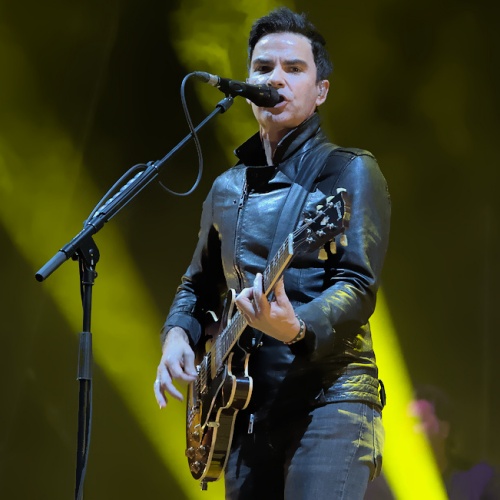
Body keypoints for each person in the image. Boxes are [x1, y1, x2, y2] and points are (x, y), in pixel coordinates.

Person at [154, 7, 391, 499]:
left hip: (329, 401)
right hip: (243, 413)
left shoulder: (348, 171)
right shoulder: (226, 188)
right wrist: (177, 335)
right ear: (246, 85)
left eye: (293, 68)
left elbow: (357, 285)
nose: (275, 79)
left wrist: (296, 326)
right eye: (263, 68)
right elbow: (197, 285)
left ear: (320, 91)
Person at [364, 384, 500, 499]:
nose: (406, 431)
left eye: (416, 421)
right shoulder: (378, 486)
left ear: (444, 429)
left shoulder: (480, 481)